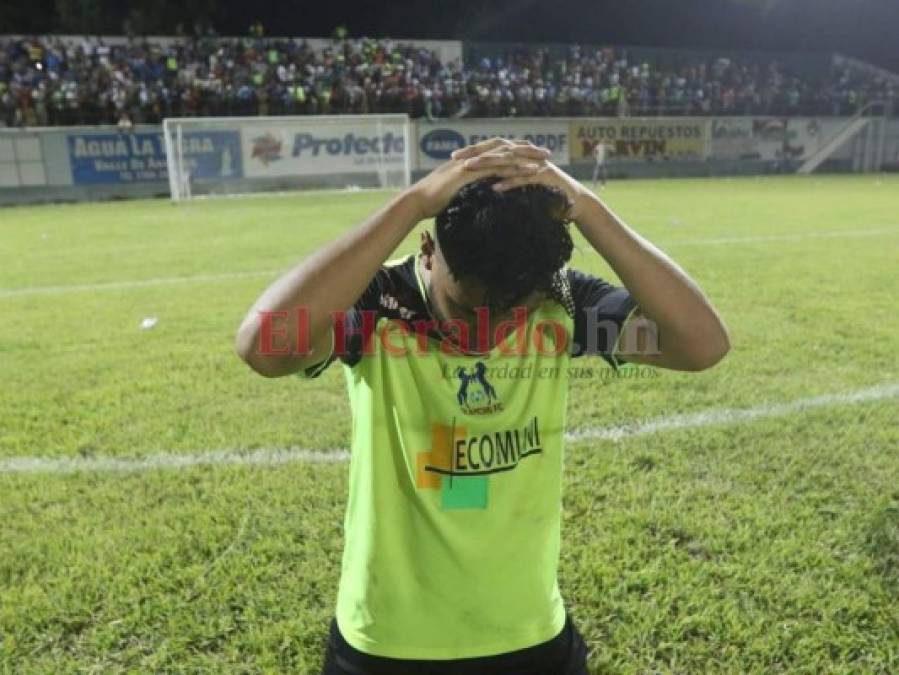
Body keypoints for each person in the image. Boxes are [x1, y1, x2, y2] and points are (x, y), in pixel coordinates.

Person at [236, 138, 730, 674]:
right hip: (389, 642)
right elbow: (264, 347)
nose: (486, 333)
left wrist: (585, 207)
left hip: (528, 632)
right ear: (427, 249)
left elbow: (701, 344)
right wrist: (410, 203)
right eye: (467, 306)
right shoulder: (381, 305)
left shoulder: (563, 304)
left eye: (511, 313)